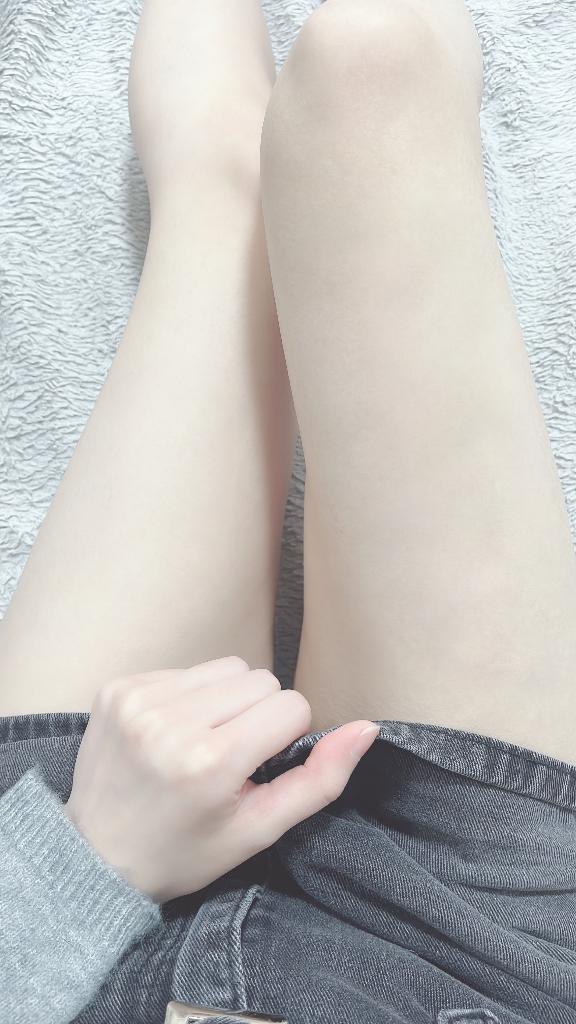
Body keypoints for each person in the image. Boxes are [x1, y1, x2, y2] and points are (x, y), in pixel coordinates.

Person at [1, 0, 576, 1021]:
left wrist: (89, 860)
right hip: (477, 949)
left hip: (79, 918)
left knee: (226, 186)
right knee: (376, 66)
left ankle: (228, 184)